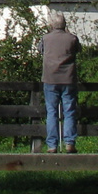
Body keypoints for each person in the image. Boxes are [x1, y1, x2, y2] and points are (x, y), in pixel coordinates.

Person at [40, 11, 79, 153]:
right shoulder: (72, 38)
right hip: (68, 78)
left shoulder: (45, 38)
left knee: (52, 112)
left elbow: (41, 51)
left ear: (51, 25)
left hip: (50, 78)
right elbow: (77, 51)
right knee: (69, 111)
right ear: (64, 24)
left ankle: (52, 144)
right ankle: (70, 142)